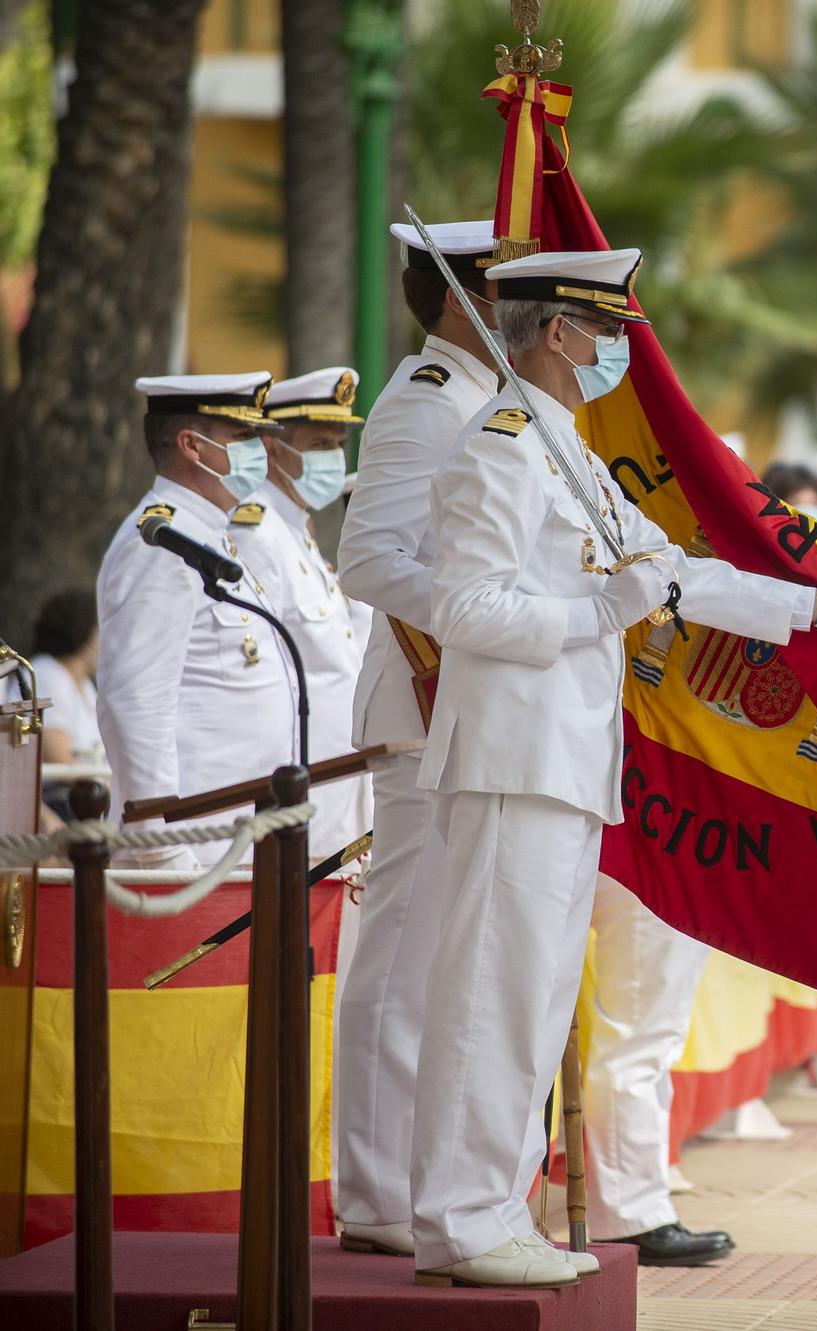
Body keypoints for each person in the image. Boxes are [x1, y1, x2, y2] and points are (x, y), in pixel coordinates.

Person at [408, 246, 817, 1289]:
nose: (620, 350)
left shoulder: (567, 455)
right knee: (495, 990)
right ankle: (460, 1214)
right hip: (511, 758)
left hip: (565, 760)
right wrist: (599, 610)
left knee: (535, 998)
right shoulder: (500, 448)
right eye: (606, 330)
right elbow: (462, 607)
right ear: (556, 332)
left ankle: (487, 1207)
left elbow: (676, 575)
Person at [334, 219, 503, 1259]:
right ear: (453, 297)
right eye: (503, 290)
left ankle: (421, 1177)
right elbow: (370, 559)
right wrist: (483, 613)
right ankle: (376, 1192)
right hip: (424, 708)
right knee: (399, 957)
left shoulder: (492, 404)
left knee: (446, 961)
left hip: (477, 710)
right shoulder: (425, 405)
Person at [97, 374, 296, 869]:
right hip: (192, 850)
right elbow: (135, 702)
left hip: (236, 840)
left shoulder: (206, 534)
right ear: (193, 446)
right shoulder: (162, 544)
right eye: (242, 438)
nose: (259, 451)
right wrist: (160, 848)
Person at [234, 366, 371, 861]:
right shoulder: (256, 532)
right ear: (274, 450)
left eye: (337, 444)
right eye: (318, 445)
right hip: (298, 783)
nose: (333, 459)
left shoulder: (295, 532)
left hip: (335, 783)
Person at [29, 588, 102, 822]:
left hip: (88, 797)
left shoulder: (85, 687)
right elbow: (56, 755)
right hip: (60, 801)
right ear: (86, 634)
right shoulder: (47, 674)